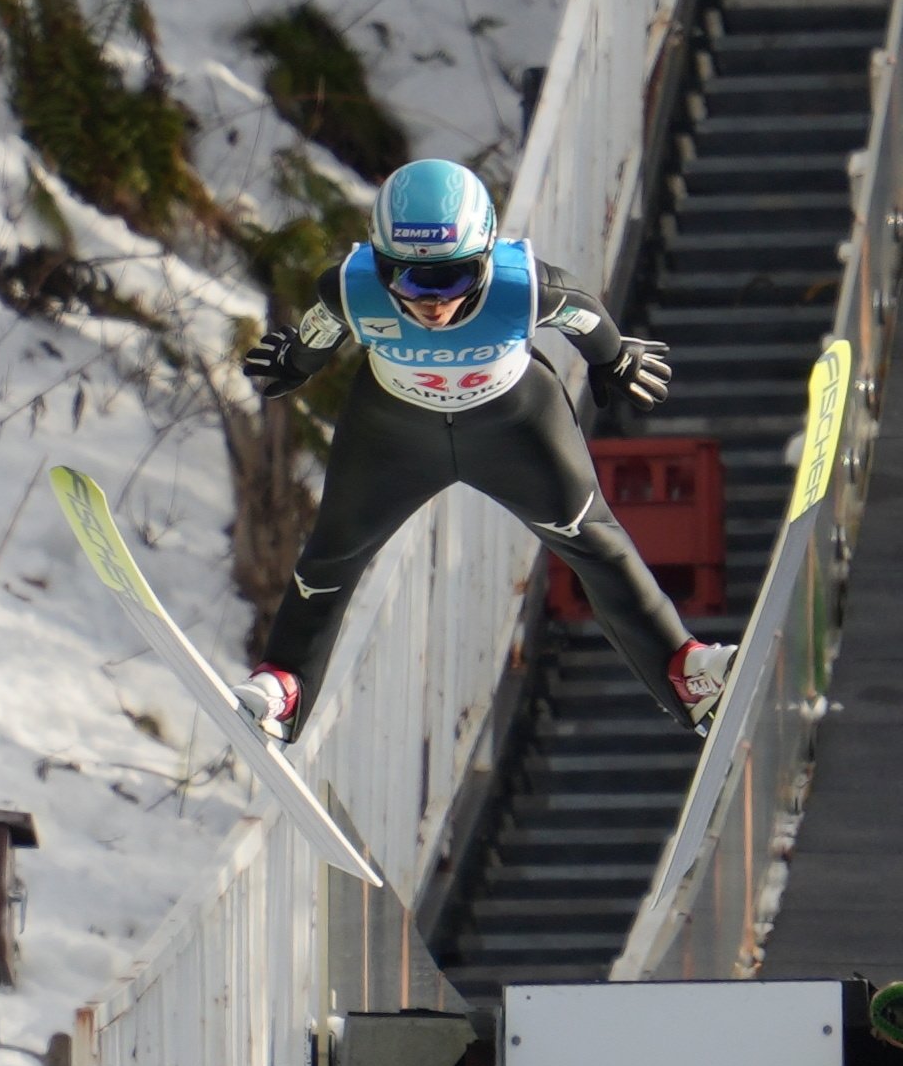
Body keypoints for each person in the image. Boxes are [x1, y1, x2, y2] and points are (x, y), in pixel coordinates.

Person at [238, 158, 726, 738]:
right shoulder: (351, 285)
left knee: (595, 540)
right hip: (395, 434)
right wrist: (294, 362)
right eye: (406, 277)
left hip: (513, 426)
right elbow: (320, 331)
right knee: (331, 556)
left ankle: (684, 670)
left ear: (489, 256)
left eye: (454, 277)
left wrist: (616, 358)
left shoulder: (524, 288)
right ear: (376, 259)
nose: (430, 300)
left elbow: (587, 314)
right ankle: (285, 687)